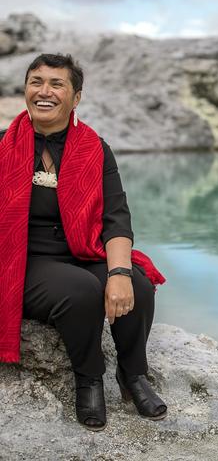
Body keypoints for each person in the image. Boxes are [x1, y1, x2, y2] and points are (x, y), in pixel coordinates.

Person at [0, 53, 167, 431]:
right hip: (24, 260)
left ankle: (133, 374)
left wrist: (120, 271)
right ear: (25, 90)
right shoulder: (2, 148)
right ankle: (89, 377)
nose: (44, 91)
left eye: (57, 84)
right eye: (36, 81)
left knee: (139, 285)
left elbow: (116, 217)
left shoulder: (95, 148)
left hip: (83, 249)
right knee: (81, 291)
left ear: (76, 98)